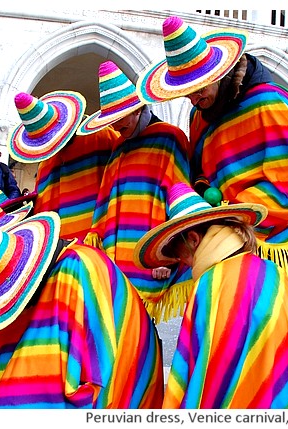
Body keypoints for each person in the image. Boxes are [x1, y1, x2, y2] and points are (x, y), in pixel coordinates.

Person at [136, 16, 288, 280]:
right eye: (187, 93)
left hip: (270, 233)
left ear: (217, 75)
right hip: (224, 227)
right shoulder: (199, 116)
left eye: (199, 89)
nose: (194, 99)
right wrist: (207, 193)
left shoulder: (270, 103)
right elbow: (200, 169)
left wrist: (238, 210)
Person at [0, 213, 164, 408]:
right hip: (136, 365)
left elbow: (45, 384)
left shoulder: (70, 277)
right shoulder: (72, 256)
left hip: (126, 379)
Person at [133, 182, 288, 408]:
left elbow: (202, 373)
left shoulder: (211, 284)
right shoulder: (273, 272)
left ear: (193, 240)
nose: (184, 265)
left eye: (181, 257)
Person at [75, 61, 192, 315]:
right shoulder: (119, 146)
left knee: (144, 329)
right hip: (117, 258)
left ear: (137, 109)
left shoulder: (169, 138)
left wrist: (167, 255)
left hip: (152, 257)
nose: (115, 126)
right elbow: (106, 202)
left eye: (119, 119)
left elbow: (180, 198)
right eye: (112, 120)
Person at [11, 89, 118, 241]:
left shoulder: (102, 137)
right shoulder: (46, 162)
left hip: (98, 238)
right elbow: (44, 207)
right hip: (62, 248)